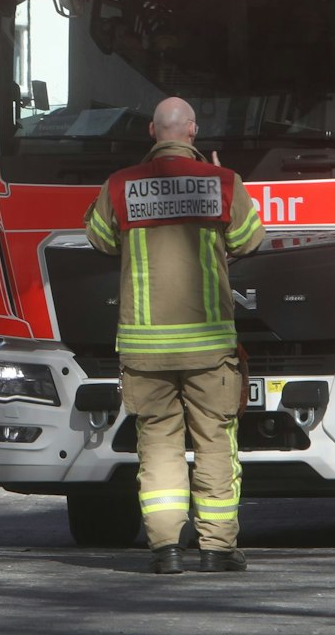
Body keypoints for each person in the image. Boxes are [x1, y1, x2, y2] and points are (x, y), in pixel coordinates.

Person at [84, 97, 264, 574]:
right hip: (209, 347)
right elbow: (249, 239)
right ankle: (216, 548)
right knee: (214, 442)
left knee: (159, 445)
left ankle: (165, 549)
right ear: (193, 131)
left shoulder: (122, 185)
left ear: (152, 132)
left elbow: (98, 237)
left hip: (145, 349)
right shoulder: (222, 183)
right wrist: (228, 183)